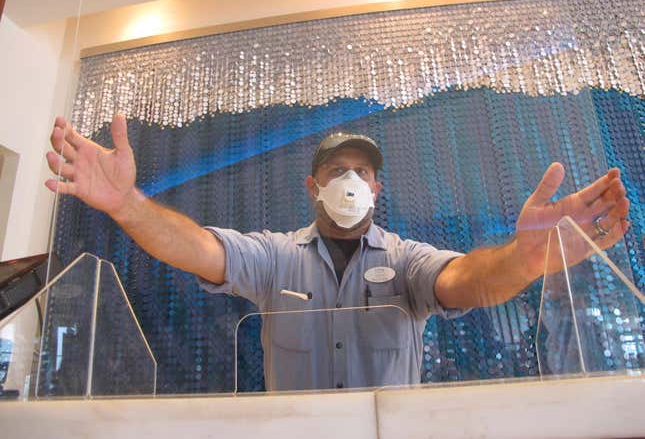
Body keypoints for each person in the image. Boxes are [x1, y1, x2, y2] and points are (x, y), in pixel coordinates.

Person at [45, 115, 630, 390]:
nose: (350, 182)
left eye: (362, 174)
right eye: (336, 171)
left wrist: (526, 260)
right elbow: (199, 248)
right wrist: (126, 204)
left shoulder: (406, 259)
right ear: (314, 186)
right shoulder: (275, 258)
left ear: (377, 189)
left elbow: (465, 280)